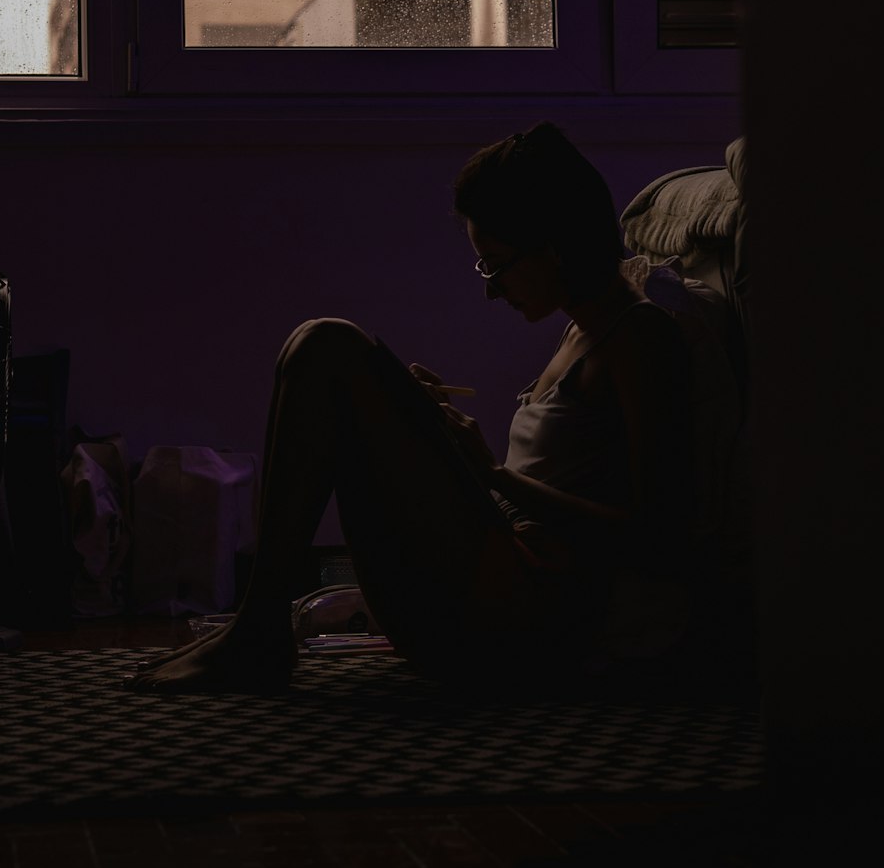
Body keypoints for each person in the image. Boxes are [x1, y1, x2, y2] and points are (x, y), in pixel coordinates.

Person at [130, 122, 696, 695]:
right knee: (325, 352)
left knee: (329, 345)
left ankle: (259, 626)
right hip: (498, 581)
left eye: (495, 263)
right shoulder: (583, 328)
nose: (490, 288)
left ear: (551, 248)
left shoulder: (638, 338)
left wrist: (491, 475)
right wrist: (430, 437)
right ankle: (260, 620)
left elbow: (662, 535)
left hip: (530, 624)